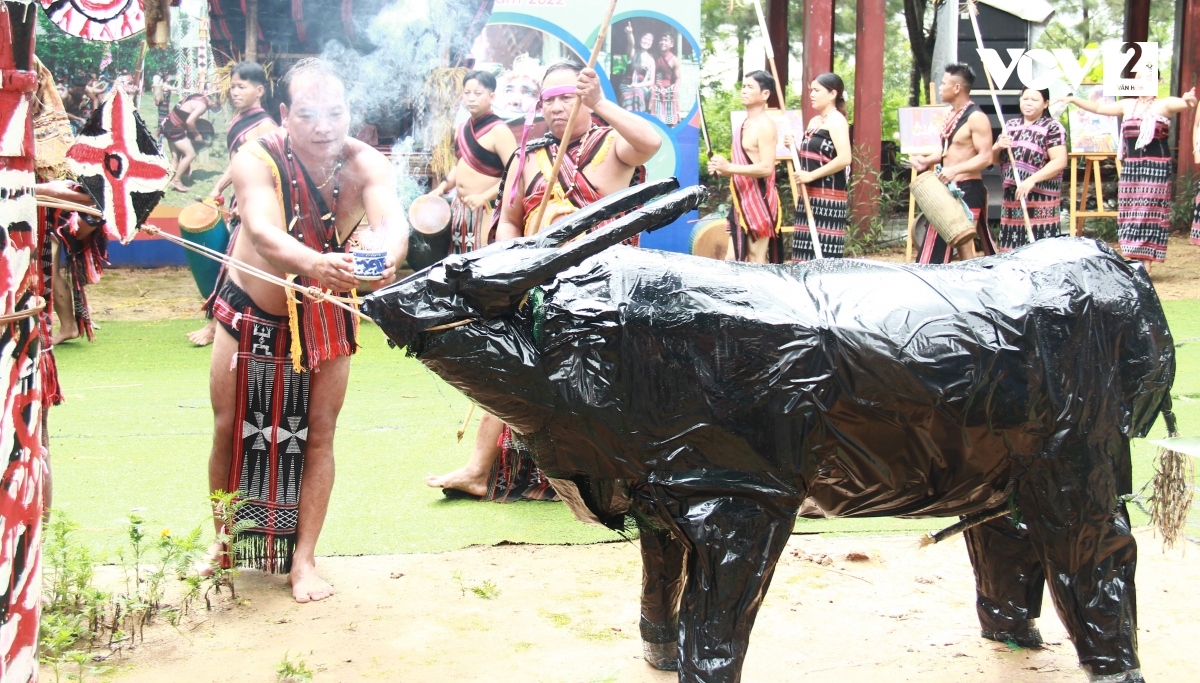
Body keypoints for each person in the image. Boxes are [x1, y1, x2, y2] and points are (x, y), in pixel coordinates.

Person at [206, 58, 408, 602]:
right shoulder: (256, 157)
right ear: (283, 115)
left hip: (325, 306)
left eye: (337, 112)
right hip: (252, 305)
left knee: (320, 432)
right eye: (310, 114)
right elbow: (264, 232)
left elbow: (393, 224)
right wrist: (317, 264)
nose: (325, 126)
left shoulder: (365, 163)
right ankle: (224, 545)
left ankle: (304, 561)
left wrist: (385, 255)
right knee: (228, 427)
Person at [427, 60, 661, 500]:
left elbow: (650, 142)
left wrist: (600, 103)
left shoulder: (614, 144)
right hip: (540, 285)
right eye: (549, 99)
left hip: (604, 290)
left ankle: (610, 476)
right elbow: (511, 220)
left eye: (567, 97)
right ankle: (480, 469)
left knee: (606, 380)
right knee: (507, 364)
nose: (557, 108)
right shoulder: (526, 155)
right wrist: (512, 268)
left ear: (585, 97)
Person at [186, 62, 280, 347]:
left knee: (233, 265)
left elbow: (269, 169)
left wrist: (249, 202)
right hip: (245, 200)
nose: (235, 93)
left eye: (242, 87)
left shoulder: (264, 125)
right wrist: (218, 187)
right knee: (232, 263)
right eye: (234, 87)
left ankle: (216, 327)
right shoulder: (242, 119)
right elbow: (239, 162)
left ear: (259, 90)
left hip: (257, 204)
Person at [1060, 88, 1197, 268]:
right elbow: (1099, 108)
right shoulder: (1127, 105)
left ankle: (1146, 261)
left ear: (1156, 81)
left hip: (1156, 166)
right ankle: (1133, 258)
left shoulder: (1163, 104)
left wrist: (1189, 100)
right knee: (1129, 212)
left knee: (1149, 212)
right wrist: (1074, 100)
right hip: (1131, 166)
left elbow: (1186, 104)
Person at [911, 63, 998, 263]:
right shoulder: (950, 114)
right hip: (947, 188)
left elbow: (985, 157)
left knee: (965, 242)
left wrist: (954, 170)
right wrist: (926, 160)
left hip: (967, 188)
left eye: (943, 84)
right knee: (957, 242)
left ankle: (972, 286)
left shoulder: (976, 118)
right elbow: (947, 149)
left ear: (957, 87)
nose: (940, 88)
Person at [425, 70, 517, 254]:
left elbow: (515, 173)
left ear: (491, 97)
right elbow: (460, 165)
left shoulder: (500, 130)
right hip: (460, 209)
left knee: (482, 264)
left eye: (478, 93)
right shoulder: (461, 129)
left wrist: (484, 196)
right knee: (457, 264)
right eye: (467, 93)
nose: (471, 98)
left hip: (487, 208)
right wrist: (442, 188)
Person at [709, 70, 782, 264]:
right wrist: (722, 169)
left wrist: (730, 167)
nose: (744, 91)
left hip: (759, 201)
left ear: (765, 94)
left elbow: (766, 168)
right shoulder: (743, 124)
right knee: (732, 259)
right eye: (743, 87)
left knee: (755, 261)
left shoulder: (765, 126)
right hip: (741, 202)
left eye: (750, 87)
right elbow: (740, 166)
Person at [991, 87, 1068, 250]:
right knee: (1011, 250)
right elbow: (994, 160)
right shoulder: (1010, 126)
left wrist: (1031, 180)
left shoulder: (1052, 127)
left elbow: (1059, 161)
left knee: (1039, 250)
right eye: (1025, 99)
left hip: (1041, 201)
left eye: (1034, 100)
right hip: (1013, 200)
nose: (1028, 103)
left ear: (1045, 103)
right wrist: (997, 147)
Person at [791, 72, 851, 261]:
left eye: (817, 90)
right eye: (811, 90)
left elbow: (844, 158)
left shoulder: (837, 120)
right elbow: (814, 155)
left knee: (824, 255)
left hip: (828, 198)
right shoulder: (814, 122)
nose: (812, 95)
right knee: (804, 253)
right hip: (809, 195)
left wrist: (811, 176)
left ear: (832, 94)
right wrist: (792, 146)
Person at [161, 91, 214, 191]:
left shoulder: (197, 96)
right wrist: (197, 135)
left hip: (168, 124)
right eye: (217, 106)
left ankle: (168, 181)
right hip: (176, 128)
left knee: (175, 157)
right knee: (190, 154)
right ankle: (176, 181)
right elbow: (189, 122)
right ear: (213, 101)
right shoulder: (202, 105)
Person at [620, 23, 655, 113]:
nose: (646, 41)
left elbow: (651, 81)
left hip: (641, 88)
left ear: (652, 43)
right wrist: (629, 33)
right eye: (645, 38)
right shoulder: (633, 52)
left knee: (637, 92)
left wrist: (637, 85)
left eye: (649, 40)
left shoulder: (651, 60)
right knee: (629, 95)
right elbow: (631, 43)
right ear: (640, 39)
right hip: (626, 86)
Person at [650, 33, 681, 126]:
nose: (663, 42)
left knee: (671, 94)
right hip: (655, 85)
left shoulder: (674, 60)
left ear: (671, 44)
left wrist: (676, 87)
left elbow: (678, 78)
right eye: (661, 40)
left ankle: (671, 124)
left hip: (668, 87)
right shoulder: (654, 56)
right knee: (653, 92)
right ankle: (654, 122)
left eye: (665, 40)